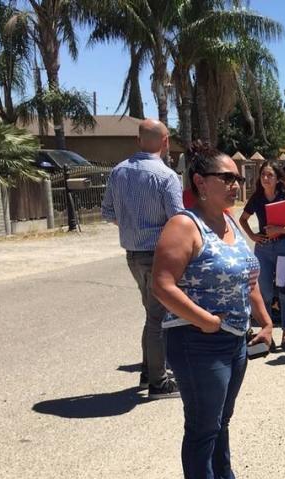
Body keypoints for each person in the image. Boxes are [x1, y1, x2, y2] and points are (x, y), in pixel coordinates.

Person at [151, 142, 274, 479]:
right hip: (197, 342)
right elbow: (163, 284)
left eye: (239, 178)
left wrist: (265, 319)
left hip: (234, 340)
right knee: (203, 430)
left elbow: (249, 279)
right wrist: (204, 320)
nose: (237, 184)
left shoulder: (229, 223)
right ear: (200, 182)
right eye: (229, 178)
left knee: (220, 423)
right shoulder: (184, 226)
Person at [101, 118, 183, 398]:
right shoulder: (165, 176)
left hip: (133, 255)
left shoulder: (118, 172)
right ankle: (159, 382)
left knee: (152, 314)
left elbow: (109, 213)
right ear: (166, 141)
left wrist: (133, 226)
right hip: (159, 255)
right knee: (159, 318)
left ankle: (149, 371)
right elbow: (178, 220)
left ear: (138, 141)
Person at [238, 160, 285, 352]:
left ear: (277, 178)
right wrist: (253, 236)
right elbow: (243, 219)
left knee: (284, 292)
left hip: (283, 246)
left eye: (270, 175)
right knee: (264, 293)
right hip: (264, 249)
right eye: (263, 175)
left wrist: (279, 229)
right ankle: (267, 334)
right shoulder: (257, 198)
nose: (266, 178)